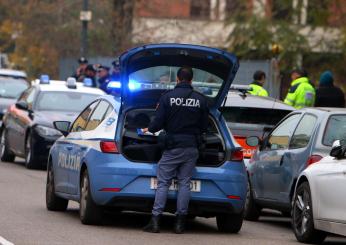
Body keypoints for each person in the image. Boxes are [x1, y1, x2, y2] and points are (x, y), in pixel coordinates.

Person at [141, 67, 209, 234]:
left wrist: (147, 129)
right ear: (191, 80)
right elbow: (204, 127)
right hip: (191, 147)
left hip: (172, 147)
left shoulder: (167, 98)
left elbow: (156, 124)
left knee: (163, 182)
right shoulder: (201, 99)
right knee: (185, 183)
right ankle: (180, 224)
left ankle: (156, 221)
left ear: (177, 79)